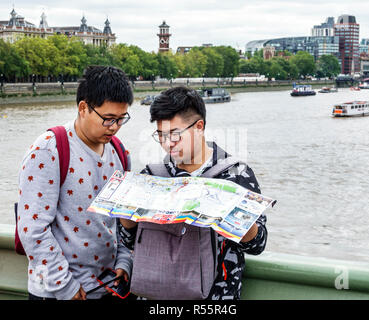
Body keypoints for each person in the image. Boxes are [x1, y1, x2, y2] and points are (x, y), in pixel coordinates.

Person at [120, 86, 267, 300]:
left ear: (199, 127)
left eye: (175, 135)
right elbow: (128, 241)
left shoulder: (235, 175)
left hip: (215, 297)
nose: (167, 144)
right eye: (161, 136)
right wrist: (127, 215)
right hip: (155, 296)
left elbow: (258, 244)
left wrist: (237, 217)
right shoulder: (152, 177)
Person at [17, 66, 134, 300]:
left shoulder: (120, 152)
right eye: (108, 119)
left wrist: (124, 261)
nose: (114, 127)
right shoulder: (49, 149)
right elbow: (32, 229)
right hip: (59, 292)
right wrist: (65, 286)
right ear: (83, 108)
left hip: (108, 285)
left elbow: (118, 221)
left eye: (121, 119)